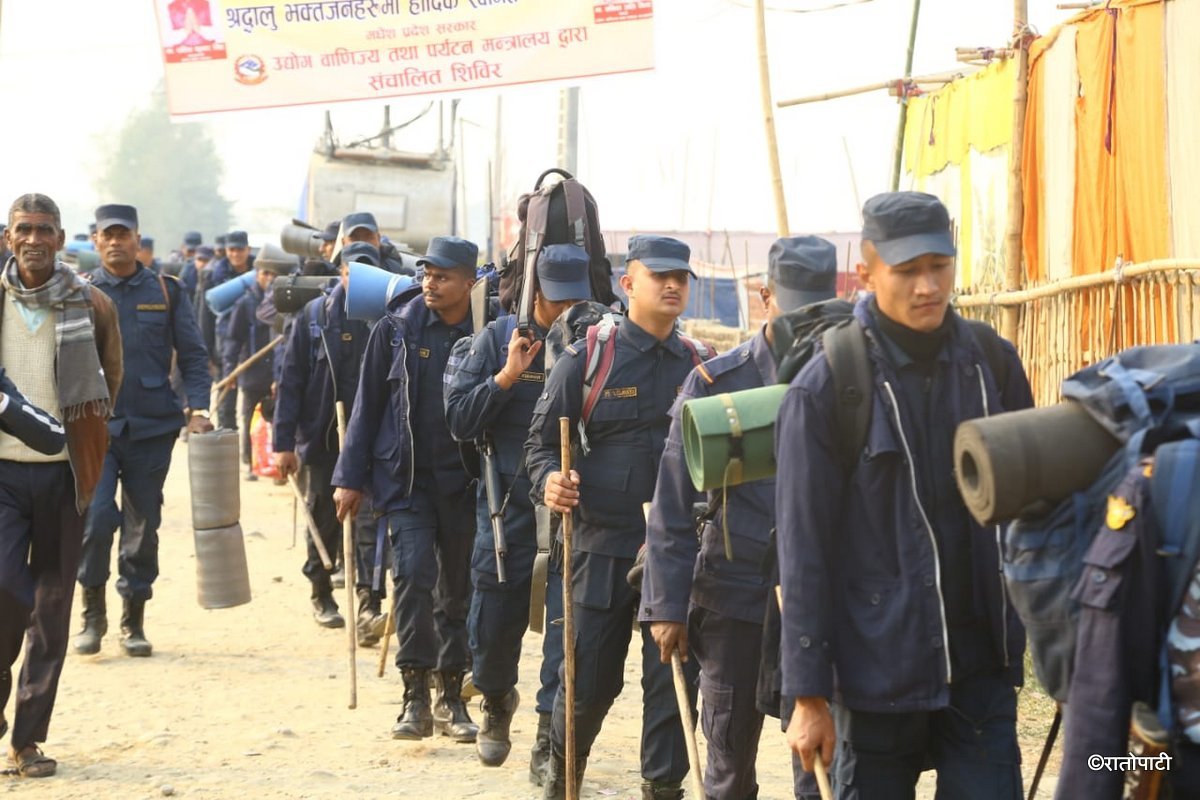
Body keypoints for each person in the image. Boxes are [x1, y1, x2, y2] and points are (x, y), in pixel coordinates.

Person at [777, 192, 1034, 799]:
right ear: (866, 273)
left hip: (979, 671)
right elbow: (803, 551)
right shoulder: (827, 386)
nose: (927, 286)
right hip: (874, 678)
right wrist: (809, 696)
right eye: (907, 270)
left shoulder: (991, 365)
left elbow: (1036, 511)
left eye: (938, 266)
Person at [641, 236, 838, 800]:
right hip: (734, 598)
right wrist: (666, 606)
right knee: (727, 767)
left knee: (822, 764)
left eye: (818, 310)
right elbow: (673, 505)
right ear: (765, 296)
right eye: (795, 307)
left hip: (820, 603)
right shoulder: (715, 386)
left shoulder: (852, 385)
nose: (808, 324)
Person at [526, 235, 710, 800]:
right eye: (660, 276)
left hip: (676, 554)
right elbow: (537, 445)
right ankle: (563, 777)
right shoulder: (588, 359)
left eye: (681, 276)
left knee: (673, 682)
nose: (673, 284)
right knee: (587, 683)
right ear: (629, 285)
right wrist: (549, 482)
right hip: (601, 547)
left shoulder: (703, 367)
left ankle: (662, 788)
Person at [444, 244, 591, 774]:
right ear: (536, 295)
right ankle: (496, 700)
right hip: (506, 507)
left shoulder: (599, 345)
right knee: (493, 622)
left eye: (577, 299)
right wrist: (506, 376)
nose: (568, 311)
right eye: (558, 301)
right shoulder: (500, 338)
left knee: (564, 628)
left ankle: (549, 740)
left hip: (570, 507)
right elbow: (459, 420)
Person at [333, 235, 480, 744]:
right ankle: (414, 694)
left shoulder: (485, 335)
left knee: (456, 593)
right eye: (426, 274)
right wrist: (349, 479)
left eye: (442, 275)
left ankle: (451, 695)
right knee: (414, 579)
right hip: (406, 482)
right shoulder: (395, 330)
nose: (430, 283)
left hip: (464, 485)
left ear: (469, 281)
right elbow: (366, 406)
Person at [0, 193, 123, 778]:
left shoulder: (92, 304)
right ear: (8, 238)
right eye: (23, 229)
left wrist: (85, 447)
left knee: (51, 609)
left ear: (60, 237)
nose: (33, 239)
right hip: (0, 472)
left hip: (65, 476)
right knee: (7, 593)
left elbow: (108, 381)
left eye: (44, 230)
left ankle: (27, 740)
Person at [73, 204, 213, 658]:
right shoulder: (80, 293)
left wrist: (198, 407)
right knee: (95, 521)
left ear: (137, 239)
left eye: (123, 234)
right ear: (96, 241)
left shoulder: (166, 291)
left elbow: (192, 354)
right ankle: (92, 616)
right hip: (94, 428)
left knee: (143, 525)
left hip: (152, 427)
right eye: (107, 235)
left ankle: (134, 619)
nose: (115, 242)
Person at [273, 242, 381, 633]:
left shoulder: (386, 317)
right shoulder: (315, 316)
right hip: (322, 438)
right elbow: (291, 380)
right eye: (354, 271)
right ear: (342, 273)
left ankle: (369, 602)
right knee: (324, 516)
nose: (360, 280)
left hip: (371, 439)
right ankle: (321, 591)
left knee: (371, 522)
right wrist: (283, 443)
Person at [222, 243, 289, 480]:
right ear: (257, 274)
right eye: (265, 273)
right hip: (251, 372)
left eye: (274, 274)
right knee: (248, 417)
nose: (269, 278)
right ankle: (249, 464)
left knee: (279, 418)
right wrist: (230, 372)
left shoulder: (286, 301)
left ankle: (279, 467)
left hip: (277, 371)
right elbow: (233, 340)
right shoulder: (245, 303)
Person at [338, 212, 414, 276]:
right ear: (343, 242)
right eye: (354, 238)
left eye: (367, 237)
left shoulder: (396, 273)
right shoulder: (332, 273)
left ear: (378, 239)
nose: (362, 243)